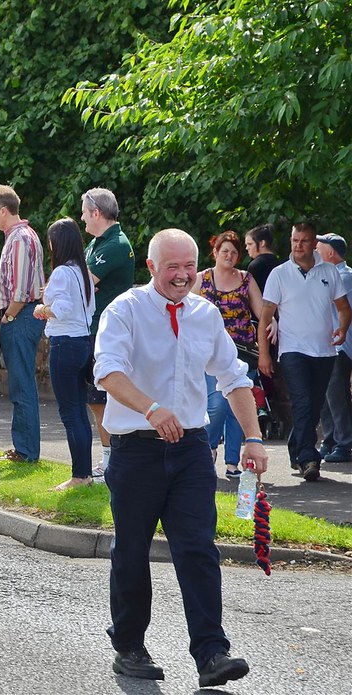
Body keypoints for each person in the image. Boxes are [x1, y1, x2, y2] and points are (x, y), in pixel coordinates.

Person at [95, 228, 265, 688]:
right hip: (136, 449)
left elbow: (234, 377)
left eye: (189, 265)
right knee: (132, 550)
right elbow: (107, 371)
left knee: (198, 548)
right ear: (151, 268)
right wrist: (150, 407)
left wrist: (252, 437)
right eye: (172, 266)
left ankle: (212, 653)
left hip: (190, 448)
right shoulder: (125, 310)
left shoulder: (205, 314)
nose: (182, 275)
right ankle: (129, 646)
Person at [258, 222, 351, 481]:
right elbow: (265, 316)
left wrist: (342, 329)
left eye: (304, 241)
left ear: (313, 244)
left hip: (324, 351)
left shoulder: (329, 272)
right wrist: (264, 354)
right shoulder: (279, 274)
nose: (299, 245)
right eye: (295, 240)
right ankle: (309, 458)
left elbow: (344, 308)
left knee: (315, 404)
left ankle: (295, 447)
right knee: (303, 402)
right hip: (292, 350)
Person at [196, 231, 270, 478]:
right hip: (209, 352)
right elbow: (185, 308)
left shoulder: (246, 279)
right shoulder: (203, 279)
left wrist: (273, 324)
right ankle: (207, 449)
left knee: (239, 407)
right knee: (216, 404)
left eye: (234, 252)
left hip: (242, 351)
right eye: (224, 250)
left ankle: (232, 463)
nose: (229, 255)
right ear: (215, 252)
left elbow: (261, 311)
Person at [0, 185, 45, 462]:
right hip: (23, 315)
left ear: (4, 210)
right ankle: (24, 448)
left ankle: (26, 451)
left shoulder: (19, 238)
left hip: (20, 315)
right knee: (22, 384)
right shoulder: (22, 235)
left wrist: (9, 315)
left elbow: (20, 290)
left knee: (21, 385)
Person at [34, 219, 96, 490]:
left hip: (64, 343)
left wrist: (42, 309)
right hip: (84, 341)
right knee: (79, 412)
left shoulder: (60, 272)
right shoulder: (83, 271)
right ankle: (84, 474)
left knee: (70, 413)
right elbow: (88, 309)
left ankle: (79, 476)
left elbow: (63, 307)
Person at [80, 187, 134, 480]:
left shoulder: (114, 245)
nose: (82, 218)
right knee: (96, 397)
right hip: (94, 326)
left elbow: (81, 284)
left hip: (106, 329)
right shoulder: (97, 244)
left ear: (97, 213)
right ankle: (108, 458)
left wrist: (83, 285)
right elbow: (81, 283)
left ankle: (112, 460)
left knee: (104, 396)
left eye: (84, 213)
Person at [316, 232, 352, 463]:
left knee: (336, 395)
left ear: (330, 252)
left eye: (318, 249)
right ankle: (330, 440)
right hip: (326, 346)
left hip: (341, 346)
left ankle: (344, 443)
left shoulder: (344, 276)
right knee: (326, 395)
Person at [244, 223, 280, 294]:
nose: (247, 248)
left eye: (250, 244)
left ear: (262, 243)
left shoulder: (255, 265)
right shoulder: (280, 263)